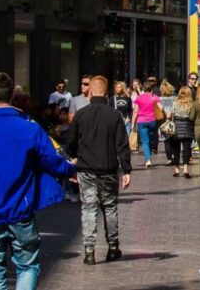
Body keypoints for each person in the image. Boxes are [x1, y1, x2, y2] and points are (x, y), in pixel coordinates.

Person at [0, 72, 76, 289]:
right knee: (28, 266)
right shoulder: (30, 129)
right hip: (21, 210)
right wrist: (71, 169)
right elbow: (52, 161)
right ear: (11, 96)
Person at [66, 75, 131, 265]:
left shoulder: (81, 114)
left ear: (91, 92)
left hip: (86, 168)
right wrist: (126, 170)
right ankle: (112, 247)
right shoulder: (114, 115)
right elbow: (122, 144)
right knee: (110, 207)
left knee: (88, 207)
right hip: (108, 168)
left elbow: (71, 141)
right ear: (107, 93)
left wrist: (74, 156)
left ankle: (89, 250)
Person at [131, 86, 162, 167]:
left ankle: (148, 160)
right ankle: (149, 156)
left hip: (141, 121)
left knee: (145, 141)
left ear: (143, 90)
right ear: (151, 90)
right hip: (152, 121)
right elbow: (161, 108)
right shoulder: (154, 97)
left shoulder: (138, 98)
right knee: (151, 140)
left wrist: (132, 123)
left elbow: (135, 111)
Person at [169, 86, 195, 178]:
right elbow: (192, 117)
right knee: (186, 150)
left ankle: (176, 169)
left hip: (176, 128)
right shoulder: (191, 104)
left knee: (176, 149)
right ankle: (185, 169)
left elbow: (169, 114)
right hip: (188, 128)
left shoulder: (175, 102)